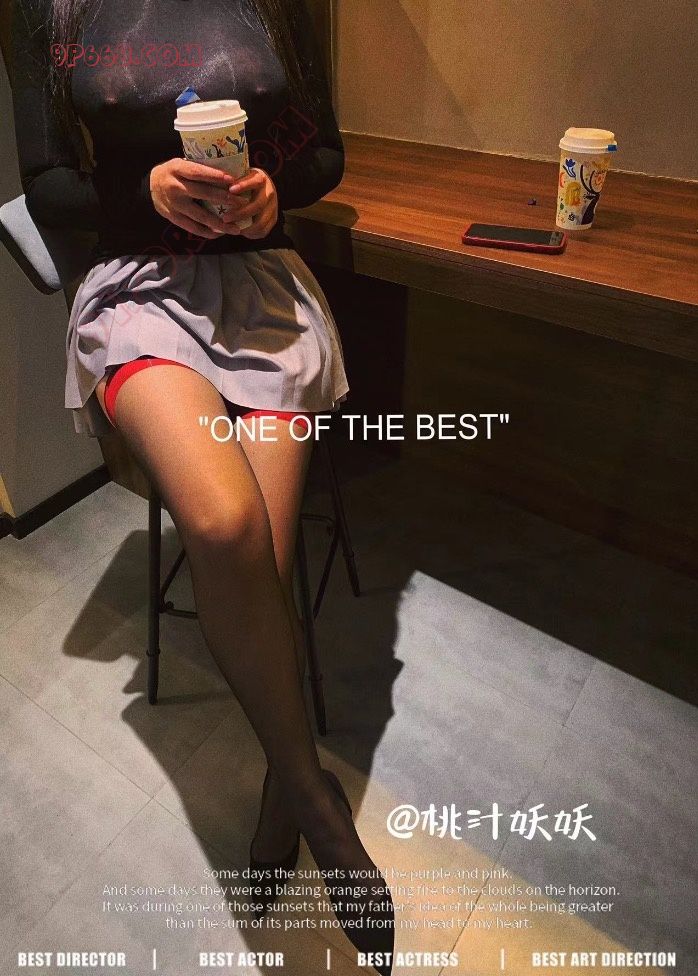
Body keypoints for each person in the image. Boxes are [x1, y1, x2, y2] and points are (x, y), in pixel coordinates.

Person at [9, 0, 394, 971]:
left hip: (260, 283)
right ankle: (311, 794)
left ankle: (280, 788)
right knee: (225, 526)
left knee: (264, 544)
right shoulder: (45, 8)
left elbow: (323, 153)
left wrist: (274, 191)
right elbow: (45, 187)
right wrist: (143, 189)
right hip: (137, 287)